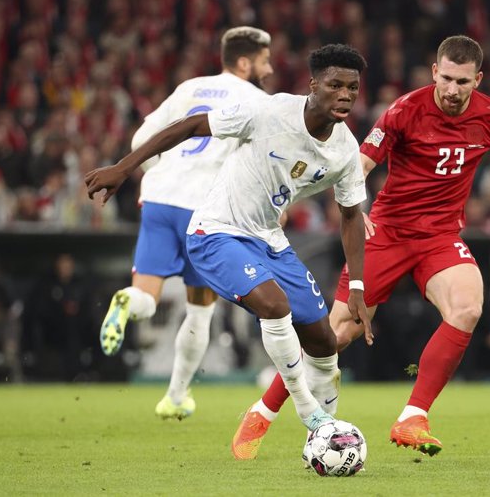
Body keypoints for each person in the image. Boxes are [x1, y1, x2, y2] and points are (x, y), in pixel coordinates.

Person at [242, 35, 490, 459]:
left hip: (439, 237)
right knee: (335, 334)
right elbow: (358, 164)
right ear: (434, 73)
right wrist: (357, 209)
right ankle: (264, 409)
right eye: (446, 79)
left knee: (467, 308)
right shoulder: (405, 111)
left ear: (477, 79)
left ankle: (413, 417)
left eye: (463, 81)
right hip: (386, 232)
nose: (453, 89)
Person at [86, 44, 372, 455]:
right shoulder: (270, 113)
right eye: (335, 85)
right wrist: (124, 168)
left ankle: (327, 441)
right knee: (275, 306)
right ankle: (311, 415)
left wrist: (357, 285)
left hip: (269, 240)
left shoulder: (345, 150)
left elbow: (350, 216)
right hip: (214, 232)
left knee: (324, 341)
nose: (344, 95)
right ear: (313, 85)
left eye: (352, 87)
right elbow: (189, 126)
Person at [93, 27, 274, 420]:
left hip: (159, 197)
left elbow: (142, 135)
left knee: (147, 293)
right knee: (200, 309)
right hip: (204, 209)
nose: (270, 67)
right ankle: (175, 396)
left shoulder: (190, 87)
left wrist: (162, 173)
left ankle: (128, 301)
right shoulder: (259, 102)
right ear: (245, 62)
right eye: (265, 60)